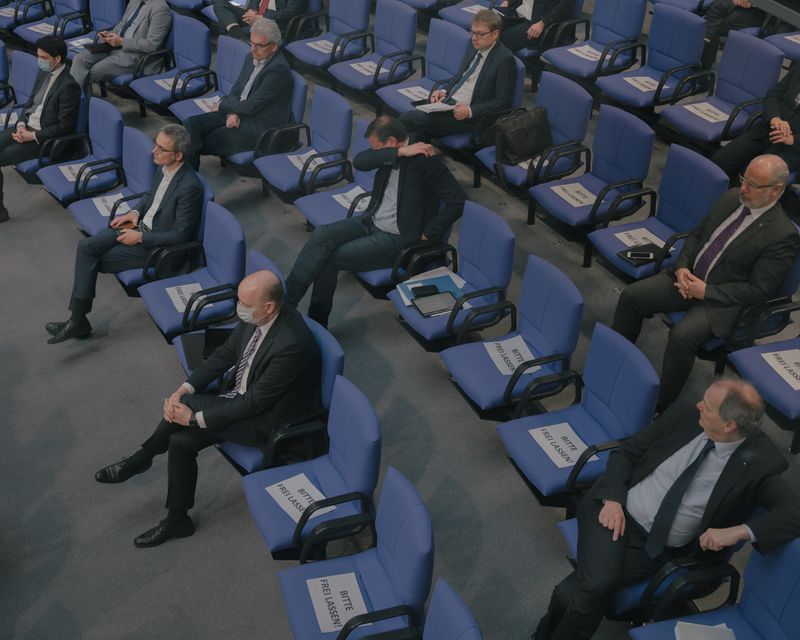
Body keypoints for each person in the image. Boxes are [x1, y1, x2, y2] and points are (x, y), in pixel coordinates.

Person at [532, 379, 800, 640]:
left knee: (569, 594)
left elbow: (795, 512)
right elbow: (627, 453)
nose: (698, 405)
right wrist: (613, 500)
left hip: (654, 547)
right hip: (612, 511)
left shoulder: (760, 464)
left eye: (706, 405)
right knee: (597, 584)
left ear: (729, 424)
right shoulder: (683, 415)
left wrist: (740, 532)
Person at [94, 270, 322, 547]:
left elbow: (254, 403)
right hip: (239, 400)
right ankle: (178, 519)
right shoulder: (259, 316)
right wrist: (184, 388)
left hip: (269, 422)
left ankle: (141, 458)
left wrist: (194, 419)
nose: (239, 309)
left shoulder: (292, 343)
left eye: (245, 305)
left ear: (269, 307)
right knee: (180, 441)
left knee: (188, 413)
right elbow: (224, 354)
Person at [611, 154, 800, 410]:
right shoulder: (731, 197)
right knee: (632, 296)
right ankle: (615, 362)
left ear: (777, 189)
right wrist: (681, 268)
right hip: (687, 278)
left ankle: (660, 406)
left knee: (682, 337)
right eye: (744, 178)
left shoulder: (781, 234)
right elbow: (697, 234)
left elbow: (759, 290)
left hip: (719, 300)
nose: (743, 188)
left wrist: (706, 291)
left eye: (753, 185)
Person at [284, 115, 466, 328]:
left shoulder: (426, 163)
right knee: (321, 234)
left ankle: (314, 322)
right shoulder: (391, 152)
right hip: (371, 220)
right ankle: (287, 302)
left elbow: (458, 200)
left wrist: (430, 232)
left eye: (377, 147)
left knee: (329, 259)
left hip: (397, 237)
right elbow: (360, 161)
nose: (375, 152)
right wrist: (398, 152)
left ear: (390, 140)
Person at [46, 124, 203, 344]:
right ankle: (77, 319)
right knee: (85, 247)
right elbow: (151, 195)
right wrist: (134, 212)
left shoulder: (190, 187)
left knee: (94, 259)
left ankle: (78, 321)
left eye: (161, 149)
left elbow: (182, 235)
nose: (153, 152)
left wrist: (140, 238)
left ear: (179, 155)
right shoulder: (164, 167)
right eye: (155, 145)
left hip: (157, 247)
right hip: (138, 227)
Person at [183, 18, 292, 171]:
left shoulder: (278, 71)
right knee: (190, 125)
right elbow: (236, 90)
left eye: (259, 45)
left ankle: (188, 184)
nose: (253, 49)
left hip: (258, 126)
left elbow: (251, 106)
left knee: (202, 139)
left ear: (274, 46)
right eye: (251, 43)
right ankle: (188, 181)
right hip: (238, 111)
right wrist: (231, 112)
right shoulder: (251, 57)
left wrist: (223, 106)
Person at [399, 9, 516, 140]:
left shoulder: (505, 60)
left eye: (480, 34)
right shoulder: (474, 46)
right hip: (448, 105)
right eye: (473, 32)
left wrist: (470, 111)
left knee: (408, 118)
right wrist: (444, 91)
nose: (474, 38)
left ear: (495, 34)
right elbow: (459, 76)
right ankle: (397, 153)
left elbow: (502, 103)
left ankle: (386, 152)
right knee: (415, 135)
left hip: (469, 117)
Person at [0, 36, 80, 224]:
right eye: (38, 56)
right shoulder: (44, 73)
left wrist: (32, 135)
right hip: (25, 127)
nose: (39, 61)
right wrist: (20, 124)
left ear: (57, 59)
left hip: (43, 140)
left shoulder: (69, 86)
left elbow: (65, 127)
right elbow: (29, 103)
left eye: (43, 57)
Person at [712, 61, 800, 180]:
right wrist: (775, 118)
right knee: (720, 160)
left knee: (754, 178)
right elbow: (773, 95)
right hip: (769, 130)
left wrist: (793, 139)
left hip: (793, 149)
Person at [70, 0, 172, 91]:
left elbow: (152, 45)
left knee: (90, 72)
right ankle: (73, 103)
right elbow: (122, 24)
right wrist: (110, 35)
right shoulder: (135, 1)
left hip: (136, 56)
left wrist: (122, 42)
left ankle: (74, 104)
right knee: (79, 59)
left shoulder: (160, 9)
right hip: (114, 46)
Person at [701, 0, 766, 71]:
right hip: (734, 3)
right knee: (715, 12)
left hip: (757, 10)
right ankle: (703, 70)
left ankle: (699, 59)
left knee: (714, 23)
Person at [496, 0, 573, 54]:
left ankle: (497, 71)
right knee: (491, 26)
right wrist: (508, 2)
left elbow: (563, 9)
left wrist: (542, 22)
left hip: (542, 23)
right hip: (519, 14)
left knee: (504, 37)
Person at [213, 0, 307, 40]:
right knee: (220, 3)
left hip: (272, 21)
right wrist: (251, 11)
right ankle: (236, 31)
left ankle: (238, 35)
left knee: (230, 37)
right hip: (256, 14)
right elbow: (254, 1)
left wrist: (261, 17)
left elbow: (291, 12)